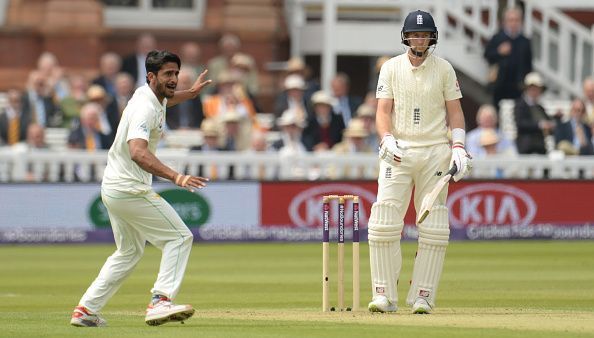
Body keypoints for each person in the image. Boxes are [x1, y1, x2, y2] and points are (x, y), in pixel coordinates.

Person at [70, 50, 211, 327]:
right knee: (180, 238)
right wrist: (176, 177)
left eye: (175, 73)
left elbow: (168, 98)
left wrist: (190, 94)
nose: (173, 79)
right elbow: (138, 152)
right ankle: (161, 301)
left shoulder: (149, 95)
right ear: (151, 76)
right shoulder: (144, 108)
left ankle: (86, 310)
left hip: (113, 186)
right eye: (167, 74)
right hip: (129, 189)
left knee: (129, 252)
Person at [368, 10, 471, 315]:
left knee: (435, 225)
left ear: (431, 38)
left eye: (424, 35)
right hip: (399, 151)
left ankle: (423, 296)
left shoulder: (444, 69)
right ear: (406, 37)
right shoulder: (390, 68)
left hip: (435, 152)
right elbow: (383, 111)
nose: (420, 39)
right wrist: (386, 139)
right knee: (384, 221)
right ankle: (383, 295)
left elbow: (455, 113)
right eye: (415, 34)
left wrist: (459, 147)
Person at [484, 7, 532, 110]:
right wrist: (499, 52)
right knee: (499, 113)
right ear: (505, 22)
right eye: (511, 20)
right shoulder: (498, 38)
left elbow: (529, 65)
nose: (513, 23)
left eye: (516, 20)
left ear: (521, 22)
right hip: (500, 85)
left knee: (517, 114)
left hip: (518, 87)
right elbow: (487, 56)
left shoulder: (525, 41)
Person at [514, 72, 554, 154]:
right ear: (527, 89)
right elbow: (521, 124)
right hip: (526, 145)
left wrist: (553, 121)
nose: (535, 91)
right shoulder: (520, 105)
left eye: (537, 89)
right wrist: (540, 125)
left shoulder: (540, 107)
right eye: (533, 88)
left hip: (540, 146)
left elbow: (549, 122)